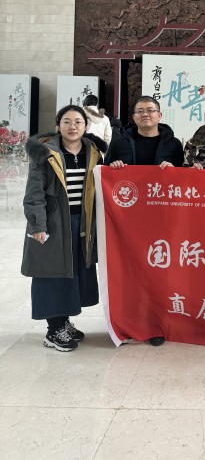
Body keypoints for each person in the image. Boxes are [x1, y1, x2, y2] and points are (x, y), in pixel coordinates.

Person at [21, 105, 106, 352]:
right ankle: (53, 329)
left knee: (72, 273)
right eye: (66, 121)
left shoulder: (93, 152)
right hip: (54, 223)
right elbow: (34, 193)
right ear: (58, 125)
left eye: (78, 122)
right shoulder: (44, 153)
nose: (72, 127)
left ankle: (64, 322)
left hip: (82, 223)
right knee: (52, 275)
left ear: (86, 126)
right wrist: (38, 224)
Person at [106, 95, 184, 346]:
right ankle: (131, 323)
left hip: (162, 219)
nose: (145, 114)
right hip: (128, 220)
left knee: (159, 273)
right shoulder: (119, 143)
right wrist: (115, 167)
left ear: (160, 115)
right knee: (132, 273)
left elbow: (184, 178)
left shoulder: (174, 144)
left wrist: (174, 171)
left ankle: (156, 325)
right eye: (140, 111)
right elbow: (106, 172)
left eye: (150, 110)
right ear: (134, 117)